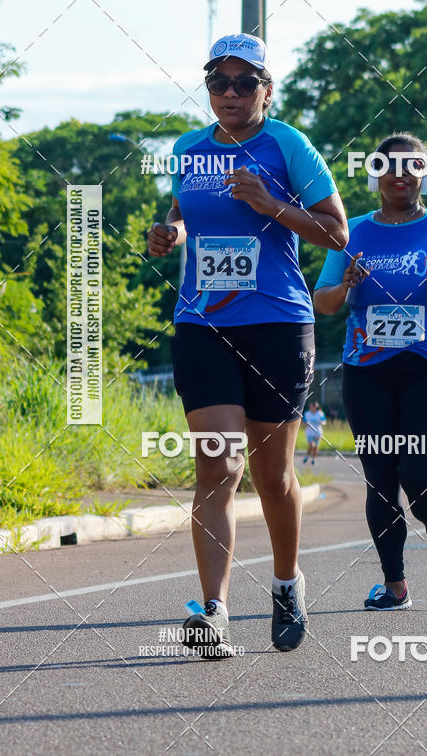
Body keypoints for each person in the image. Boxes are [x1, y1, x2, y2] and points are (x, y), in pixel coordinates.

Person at [147, 33, 348, 658]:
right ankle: (214, 611)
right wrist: (170, 232)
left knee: (272, 474)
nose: (230, 93)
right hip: (203, 324)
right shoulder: (187, 149)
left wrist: (271, 203)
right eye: (218, 82)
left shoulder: (287, 144)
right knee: (218, 464)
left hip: (277, 324)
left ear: (266, 90)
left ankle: (287, 583)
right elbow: (183, 212)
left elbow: (337, 233)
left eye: (244, 82)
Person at [314, 132, 427, 610]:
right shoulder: (351, 232)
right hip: (368, 370)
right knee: (381, 479)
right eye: (389, 166)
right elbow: (323, 301)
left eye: (413, 166)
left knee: (421, 476)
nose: (401, 175)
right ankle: (395, 585)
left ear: (426, 174)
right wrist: (346, 284)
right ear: (375, 175)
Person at [302, 401, 326, 466]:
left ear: (315, 407)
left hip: (318, 432)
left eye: (311, 406)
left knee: (316, 447)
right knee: (311, 445)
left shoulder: (320, 413)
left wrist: (321, 422)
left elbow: (324, 422)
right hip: (309, 433)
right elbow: (303, 422)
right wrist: (306, 424)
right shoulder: (307, 413)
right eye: (310, 406)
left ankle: (313, 459)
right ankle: (306, 457)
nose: (310, 407)